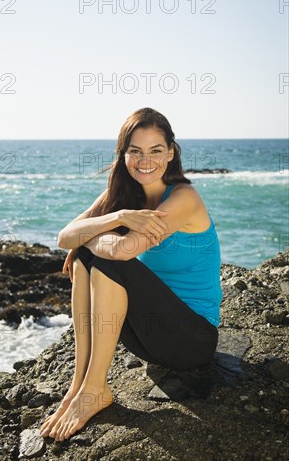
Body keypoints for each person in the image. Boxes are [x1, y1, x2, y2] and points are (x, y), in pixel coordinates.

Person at [39, 107, 222, 442]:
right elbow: (65, 237)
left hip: (191, 340)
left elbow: (121, 252)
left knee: (104, 259)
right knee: (82, 255)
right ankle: (80, 386)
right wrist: (118, 216)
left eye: (155, 150)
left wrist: (89, 239)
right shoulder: (124, 197)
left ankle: (95, 389)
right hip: (150, 337)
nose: (145, 160)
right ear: (123, 154)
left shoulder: (184, 198)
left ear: (171, 153)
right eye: (135, 151)